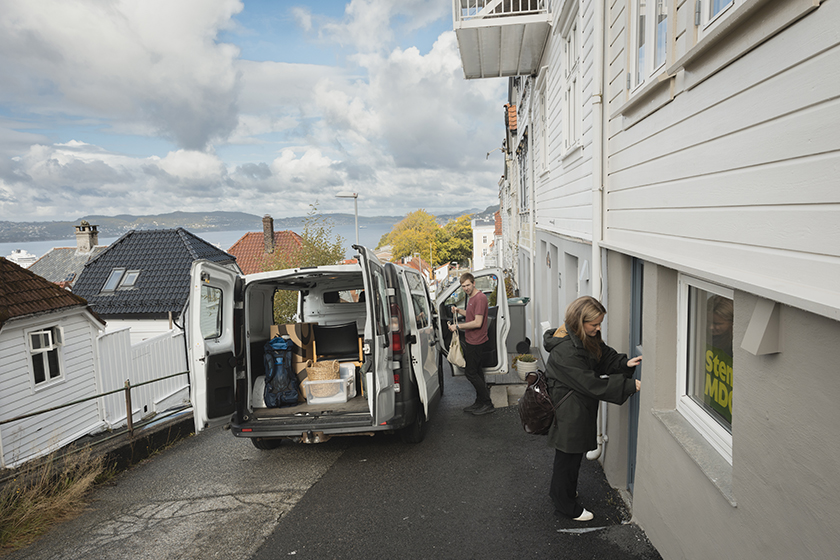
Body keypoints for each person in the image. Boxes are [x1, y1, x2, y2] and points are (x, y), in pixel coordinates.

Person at [544, 296, 641, 521]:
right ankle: (565, 506)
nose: (598, 329)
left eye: (600, 324)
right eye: (594, 324)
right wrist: (627, 385)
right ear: (579, 321)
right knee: (567, 457)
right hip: (568, 407)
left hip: (577, 403)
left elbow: (602, 355)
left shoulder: (583, 336)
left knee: (572, 455)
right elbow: (591, 383)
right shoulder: (565, 350)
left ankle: (561, 493)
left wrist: (623, 363)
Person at [448, 272, 494, 415]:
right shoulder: (472, 297)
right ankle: (480, 402)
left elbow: (478, 322)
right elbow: (471, 314)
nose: (466, 288)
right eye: (463, 286)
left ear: (474, 283)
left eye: (468, 285)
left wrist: (458, 327)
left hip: (477, 341)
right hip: (471, 340)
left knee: (471, 373)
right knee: (478, 372)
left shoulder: (480, 298)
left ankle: (487, 403)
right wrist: (458, 310)